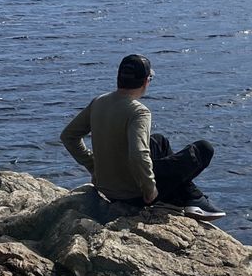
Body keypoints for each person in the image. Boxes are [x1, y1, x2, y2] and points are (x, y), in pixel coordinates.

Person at [60, 53, 224, 218]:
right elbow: (138, 155)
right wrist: (150, 189)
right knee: (203, 149)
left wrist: (94, 165)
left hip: (106, 187)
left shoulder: (99, 102)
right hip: (132, 194)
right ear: (146, 81)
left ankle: (191, 198)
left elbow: (68, 136)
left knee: (158, 141)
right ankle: (193, 198)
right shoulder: (138, 111)